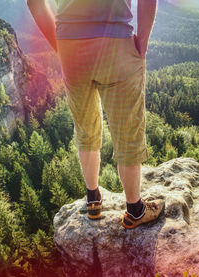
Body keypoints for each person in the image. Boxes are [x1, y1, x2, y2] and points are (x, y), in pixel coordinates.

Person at [27, 0, 165, 229]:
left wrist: (61, 45)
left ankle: (93, 199)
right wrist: (143, 42)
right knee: (127, 129)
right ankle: (135, 210)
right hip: (117, 45)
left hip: (71, 49)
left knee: (85, 125)